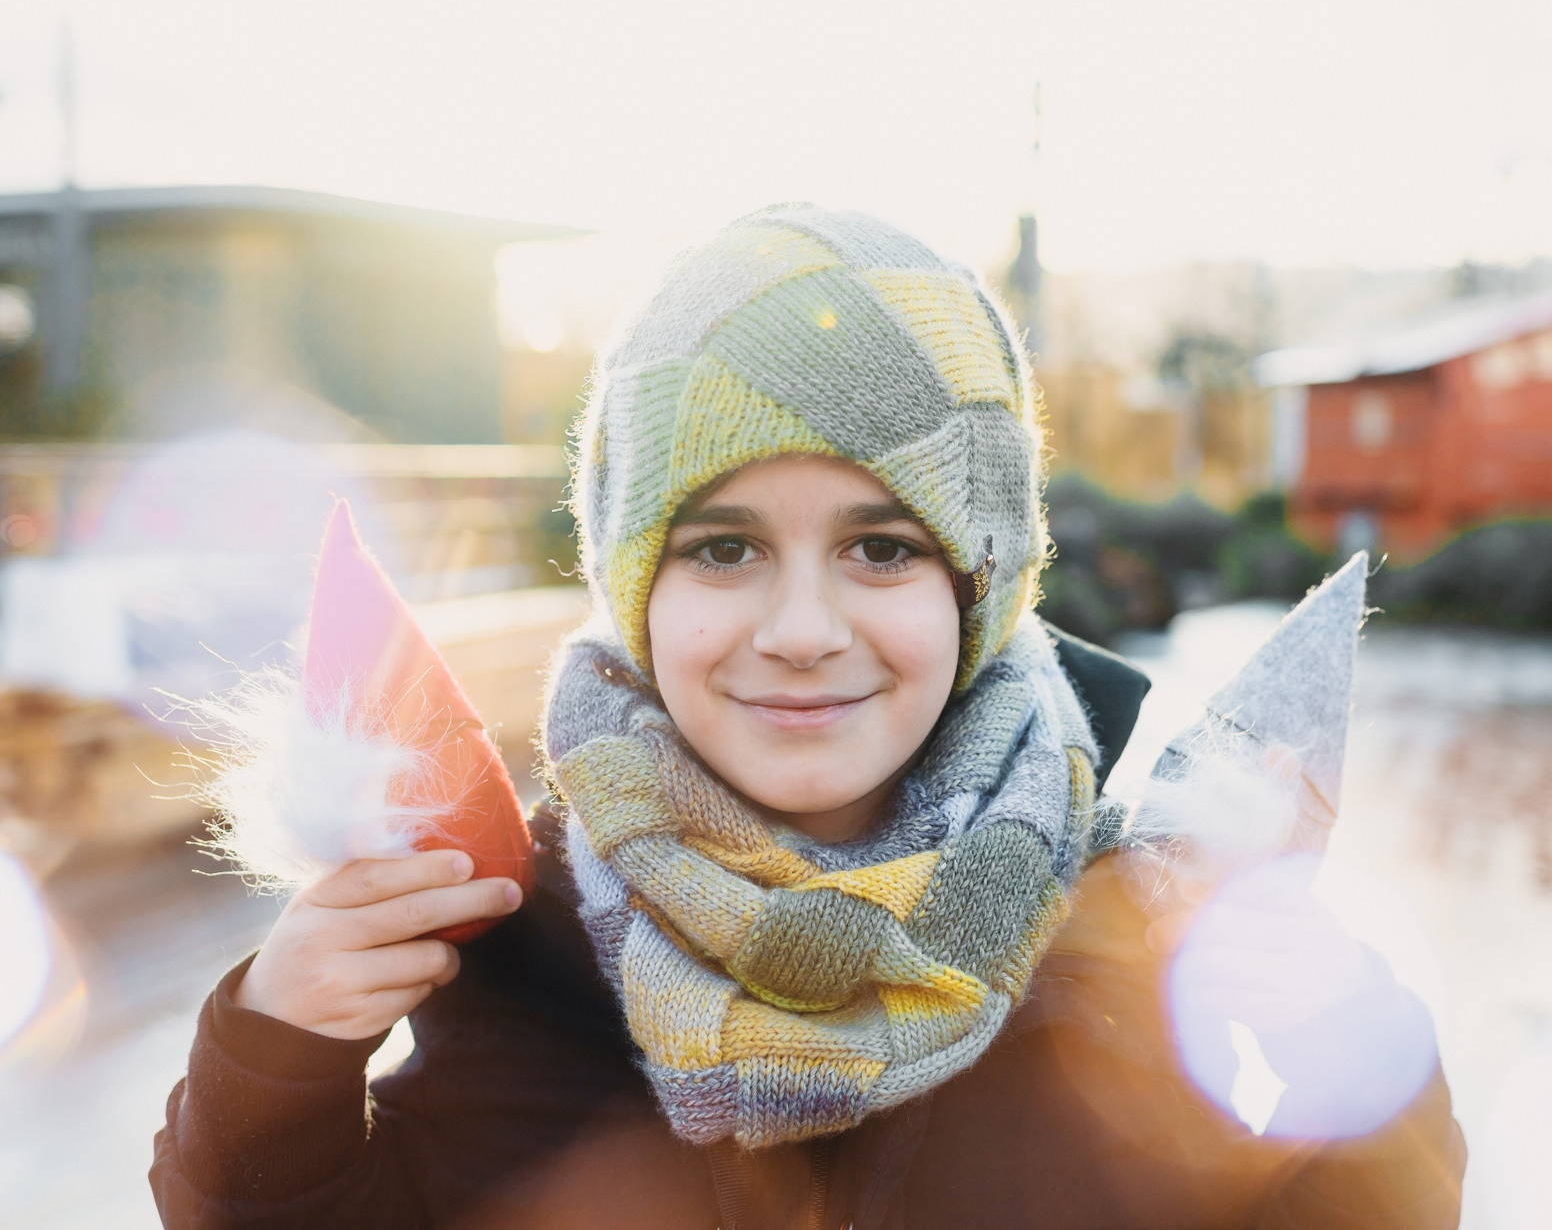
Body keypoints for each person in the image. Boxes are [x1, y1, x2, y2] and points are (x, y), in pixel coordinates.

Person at [151, 205, 1465, 1229]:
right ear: (631, 584)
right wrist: (278, 1056)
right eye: (723, 548)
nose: (801, 626)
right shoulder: (515, 944)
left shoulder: (1128, 933)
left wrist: (1367, 1073)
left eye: (882, 548)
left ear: (984, 580)